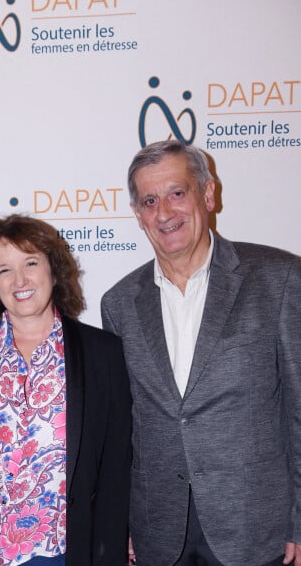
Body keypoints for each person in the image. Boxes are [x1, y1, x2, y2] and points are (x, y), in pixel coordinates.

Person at [101, 140, 301, 566]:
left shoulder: (279, 279)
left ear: (207, 194)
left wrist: (299, 520)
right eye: (150, 201)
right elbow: (123, 429)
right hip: (158, 532)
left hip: (256, 529)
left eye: (177, 193)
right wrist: (122, 523)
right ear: (138, 215)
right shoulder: (118, 304)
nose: (165, 212)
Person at [0, 214, 132, 566]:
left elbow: (115, 465)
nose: (19, 280)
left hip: (52, 550)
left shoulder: (101, 353)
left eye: (31, 263)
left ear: (53, 269)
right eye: (4, 269)